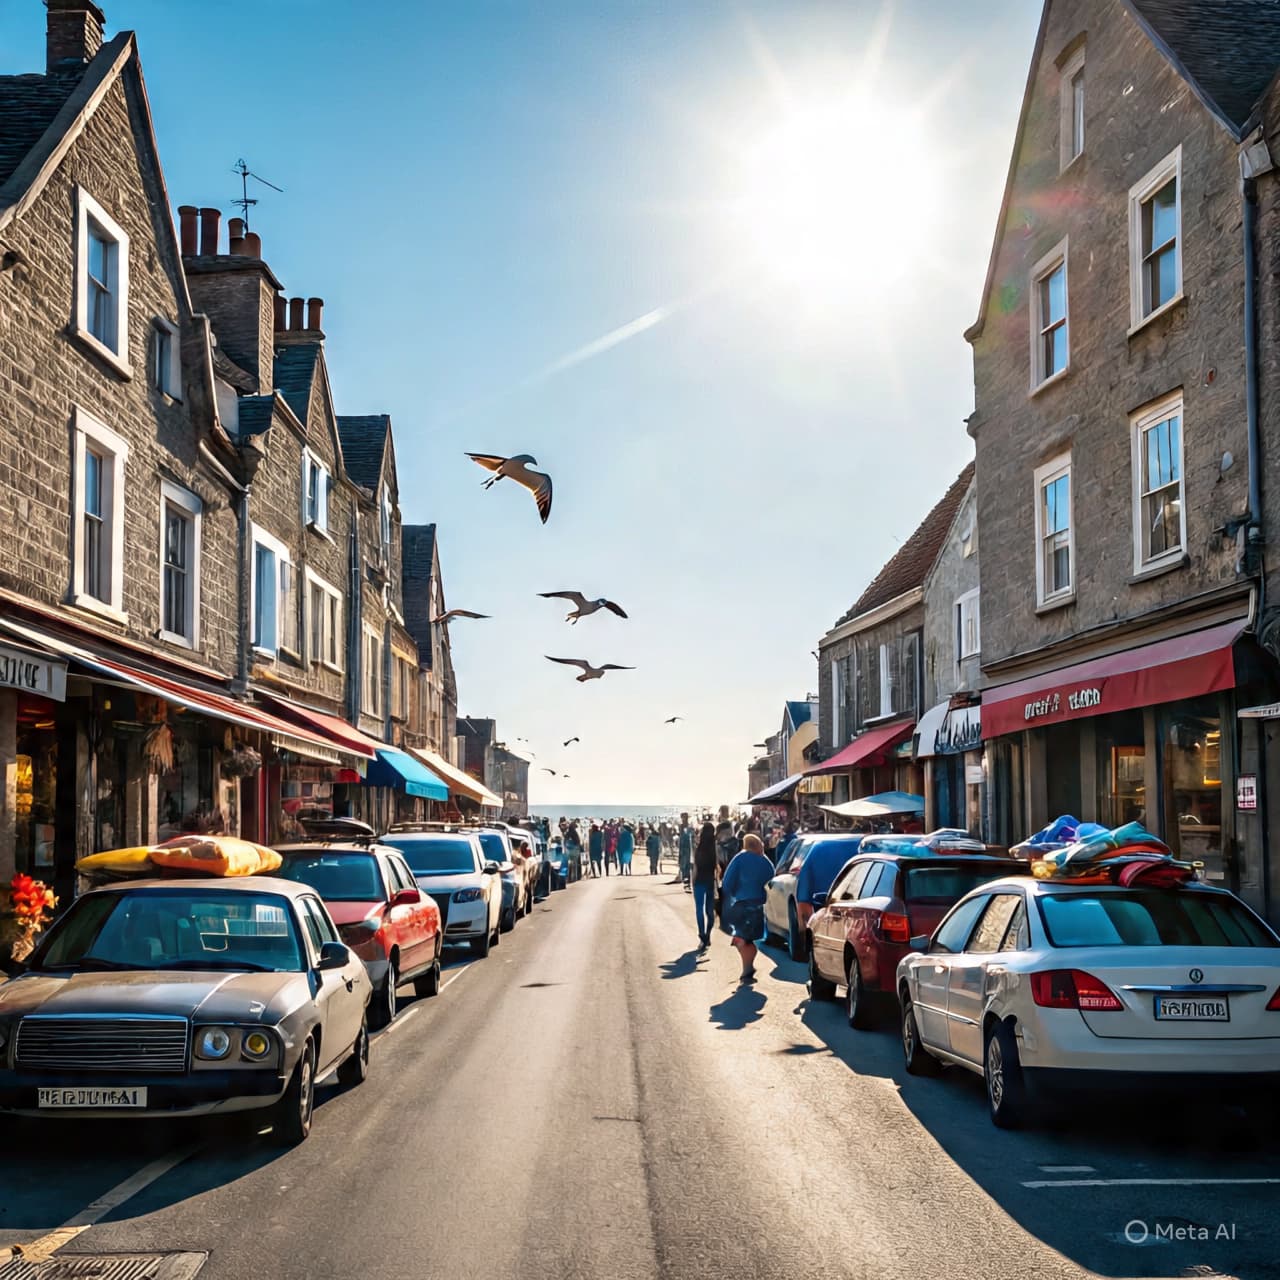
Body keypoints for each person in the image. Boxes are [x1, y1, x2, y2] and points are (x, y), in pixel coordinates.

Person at [720, 833, 774, 983]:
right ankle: (748, 968)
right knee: (748, 939)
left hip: (742, 904)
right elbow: (772, 878)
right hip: (758, 905)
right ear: (758, 846)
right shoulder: (765, 861)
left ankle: (747, 969)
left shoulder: (740, 858)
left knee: (742, 939)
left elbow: (727, 883)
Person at [691, 821, 717, 949]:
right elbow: (718, 867)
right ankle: (708, 934)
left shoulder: (698, 847)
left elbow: (695, 867)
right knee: (709, 911)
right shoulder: (715, 847)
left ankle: (702, 935)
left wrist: (692, 881)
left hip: (699, 881)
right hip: (710, 881)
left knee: (699, 909)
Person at [677, 816, 694, 890]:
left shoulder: (690, 828)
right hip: (683, 849)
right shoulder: (681, 827)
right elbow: (681, 838)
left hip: (689, 849)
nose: (683, 819)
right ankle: (686, 882)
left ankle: (688, 882)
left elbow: (692, 838)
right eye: (683, 818)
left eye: (685, 818)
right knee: (684, 866)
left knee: (688, 866)